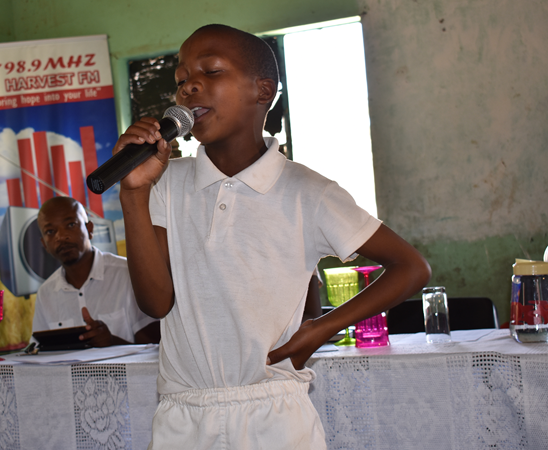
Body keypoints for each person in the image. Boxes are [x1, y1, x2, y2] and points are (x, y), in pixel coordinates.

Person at [115, 24, 431, 449]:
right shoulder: (165, 184)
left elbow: (411, 267)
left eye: (211, 71)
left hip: (275, 417)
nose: (188, 86)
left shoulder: (307, 191)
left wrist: (322, 328)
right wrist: (133, 194)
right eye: (181, 79)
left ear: (262, 91)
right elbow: (155, 303)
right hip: (183, 418)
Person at [32, 196, 160, 346]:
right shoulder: (45, 293)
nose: (61, 236)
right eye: (50, 231)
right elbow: (39, 349)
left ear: (89, 229)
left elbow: (154, 348)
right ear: (44, 244)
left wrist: (112, 342)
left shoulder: (128, 275)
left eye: (71, 224)